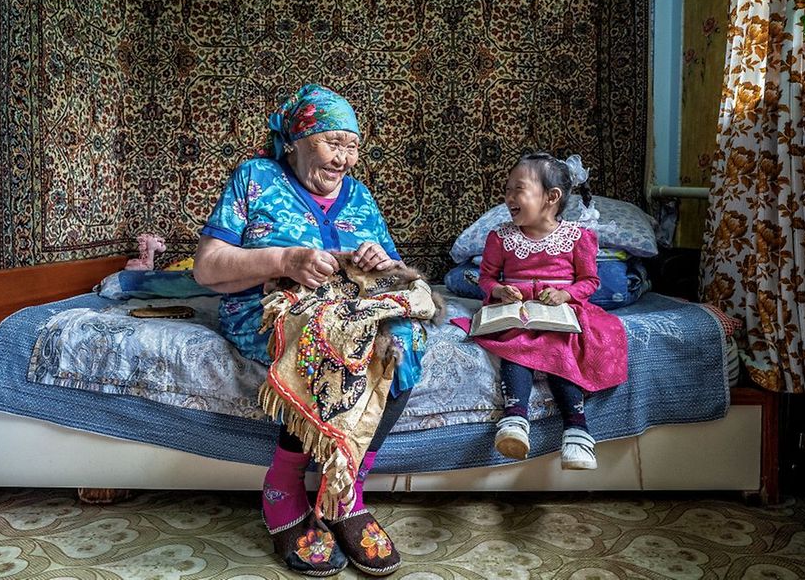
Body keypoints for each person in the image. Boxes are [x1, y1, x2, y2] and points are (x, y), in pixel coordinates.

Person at [193, 84, 421, 577]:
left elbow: (394, 269)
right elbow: (207, 269)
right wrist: (283, 259)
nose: (344, 158)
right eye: (332, 142)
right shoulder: (255, 178)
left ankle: (347, 489)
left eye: (352, 145)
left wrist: (381, 263)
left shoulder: (359, 196)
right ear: (296, 142)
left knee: (401, 340)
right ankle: (283, 485)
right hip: (267, 308)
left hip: (347, 306)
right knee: (327, 341)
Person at [452, 152, 628, 470]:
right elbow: (486, 277)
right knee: (515, 347)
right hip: (517, 312)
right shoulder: (501, 237)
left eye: (518, 189)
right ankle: (515, 422)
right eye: (507, 190)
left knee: (562, 348)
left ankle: (577, 431)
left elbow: (589, 281)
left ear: (551, 197)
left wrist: (565, 294)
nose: (508, 197)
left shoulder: (578, 237)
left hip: (558, 312)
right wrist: (498, 290)